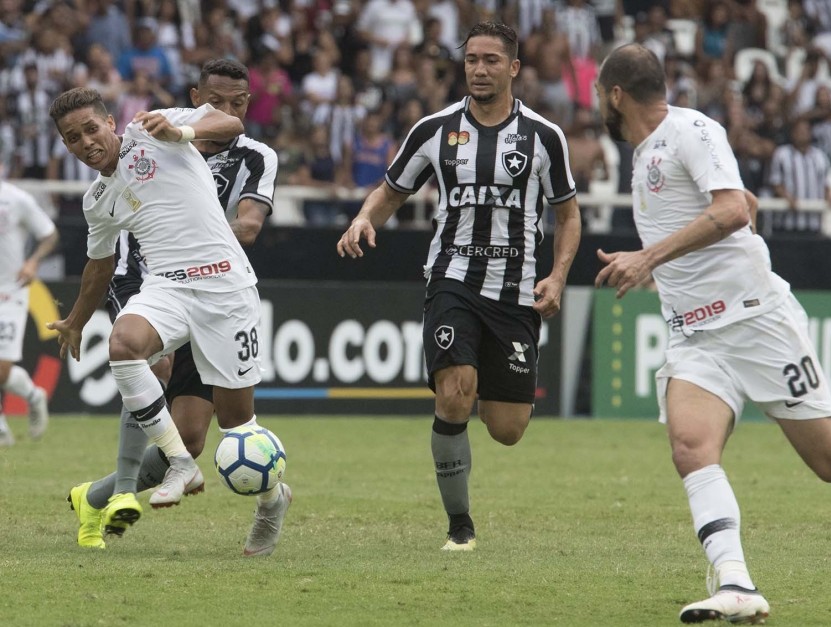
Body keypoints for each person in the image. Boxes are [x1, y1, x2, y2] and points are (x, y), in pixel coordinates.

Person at [593, 43, 831, 624]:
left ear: (615, 96)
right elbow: (742, 203)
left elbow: (732, 210)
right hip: (696, 335)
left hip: (755, 319)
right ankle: (735, 584)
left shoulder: (690, 129)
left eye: (600, 98)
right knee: (691, 448)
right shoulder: (648, 151)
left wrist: (649, 257)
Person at [337, 21, 581, 551]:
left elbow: (568, 215)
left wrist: (558, 275)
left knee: (507, 428)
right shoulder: (435, 128)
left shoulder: (544, 136)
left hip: (515, 292)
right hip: (452, 279)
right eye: (472, 59)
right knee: (454, 392)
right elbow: (392, 188)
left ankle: (470, 479)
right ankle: (460, 527)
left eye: (492, 60)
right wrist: (364, 218)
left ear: (513, 68)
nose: (480, 69)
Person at [46, 86, 284, 554]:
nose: (86, 142)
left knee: (238, 428)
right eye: (73, 138)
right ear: (66, 145)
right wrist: (75, 320)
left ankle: (273, 502)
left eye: (91, 129)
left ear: (111, 122)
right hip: (168, 287)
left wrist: (184, 130)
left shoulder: (151, 128)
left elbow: (231, 124)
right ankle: (179, 463)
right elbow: (99, 264)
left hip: (225, 288)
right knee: (124, 346)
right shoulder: (97, 199)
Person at [0, 180, 57, 447]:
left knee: (1, 369)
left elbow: (49, 234)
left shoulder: (15, 199)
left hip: (10, 293)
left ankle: (34, 396)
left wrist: (33, 261)